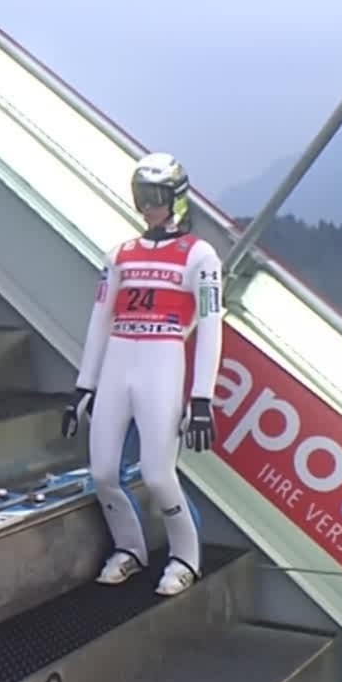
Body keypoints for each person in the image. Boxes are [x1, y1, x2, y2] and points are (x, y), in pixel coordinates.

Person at [62, 152, 223, 597]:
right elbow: (100, 320)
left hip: (162, 367)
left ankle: (185, 558)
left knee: (157, 474)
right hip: (118, 364)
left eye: (156, 196)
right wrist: (84, 387)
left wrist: (202, 398)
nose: (148, 206)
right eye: (141, 196)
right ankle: (130, 548)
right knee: (103, 472)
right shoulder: (119, 255)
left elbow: (211, 326)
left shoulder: (200, 256)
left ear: (177, 198)